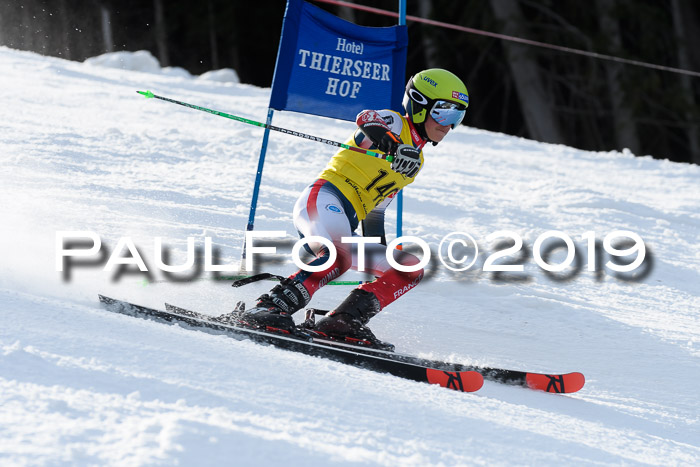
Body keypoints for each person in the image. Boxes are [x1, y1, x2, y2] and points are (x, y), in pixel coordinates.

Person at [240, 68, 469, 347]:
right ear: (420, 105)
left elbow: (376, 211)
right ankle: (268, 308)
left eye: (457, 117)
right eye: (443, 113)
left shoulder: (416, 162)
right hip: (324, 199)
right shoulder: (395, 123)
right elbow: (366, 119)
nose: (448, 125)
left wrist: (378, 257)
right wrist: (393, 146)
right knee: (340, 255)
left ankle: (345, 320)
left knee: (409, 266)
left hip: (347, 221)